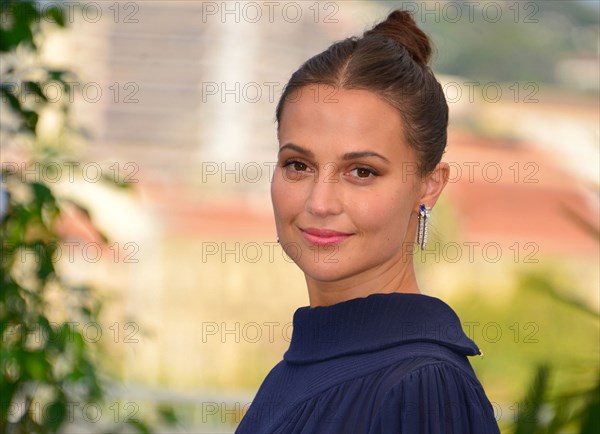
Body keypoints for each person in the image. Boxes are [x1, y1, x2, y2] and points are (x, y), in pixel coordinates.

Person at [235, 9, 500, 434]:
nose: (320, 202)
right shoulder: (303, 365)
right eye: (298, 165)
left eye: (362, 172)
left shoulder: (425, 388)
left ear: (429, 185)